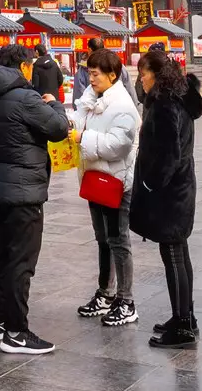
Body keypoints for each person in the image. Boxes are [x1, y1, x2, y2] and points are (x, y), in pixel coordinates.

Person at [0, 41, 69, 355]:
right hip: (23, 191)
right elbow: (58, 128)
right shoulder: (27, 98)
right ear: (25, 66)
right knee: (21, 262)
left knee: (1, 256)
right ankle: (16, 332)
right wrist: (54, 104)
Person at [130, 46, 202, 348]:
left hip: (170, 191)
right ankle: (185, 315)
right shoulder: (178, 97)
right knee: (178, 253)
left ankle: (183, 326)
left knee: (173, 255)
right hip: (181, 186)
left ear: (155, 75)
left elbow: (169, 152)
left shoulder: (163, 103)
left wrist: (150, 183)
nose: (140, 80)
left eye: (143, 74)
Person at [72, 47, 139, 329]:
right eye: (89, 72)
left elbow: (118, 145)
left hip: (116, 182)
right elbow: (78, 119)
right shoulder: (96, 100)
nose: (91, 78)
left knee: (118, 241)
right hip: (96, 179)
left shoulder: (123, 106)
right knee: (103, 239)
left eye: (95, 73)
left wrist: (83, 137)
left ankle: (126, 300)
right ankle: (105, 292)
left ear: (113, 75)